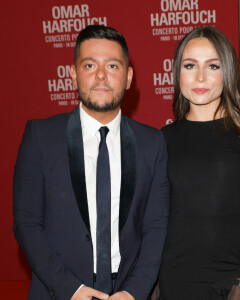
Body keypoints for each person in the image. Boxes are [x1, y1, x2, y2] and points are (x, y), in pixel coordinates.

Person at [13, 25, 169, 300]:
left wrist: (134, 292)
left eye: (112, 65)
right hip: (57, 292)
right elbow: (27, 223)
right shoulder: (41, 137)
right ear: (72, 74)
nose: (100, 75)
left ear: (129, 76)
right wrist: (69, 289)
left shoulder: (152, 143)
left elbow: (155, 227)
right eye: (88, 65)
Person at [159, 26, 240, 300]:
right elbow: (155, 220)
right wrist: (153, 281)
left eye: (212, 66)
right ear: (178, 72)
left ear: (228, 72)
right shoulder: (162, 139)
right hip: (173, 279)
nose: (200, 77)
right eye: (190, 65)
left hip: (229, 279)